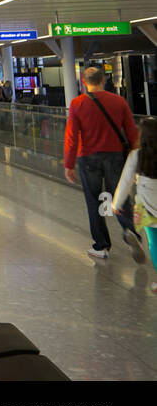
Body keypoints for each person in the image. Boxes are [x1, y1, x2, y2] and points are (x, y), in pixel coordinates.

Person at [64, 66, 144, 261]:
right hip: (115, 156)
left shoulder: (77, 103)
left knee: (94, 201)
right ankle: (129, 230)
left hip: (88, 157)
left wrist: (69, 164)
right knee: (119, 197)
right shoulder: (119, 101)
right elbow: (132, 132)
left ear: (84, 82)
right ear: (103, 80)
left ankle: (101, 246)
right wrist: (136, 159)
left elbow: (72, 136)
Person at [113, 119, 157, 289]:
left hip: (148, 209)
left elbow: (125, 182)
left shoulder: (136, 156)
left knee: (154, 243)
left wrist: (116, 204)